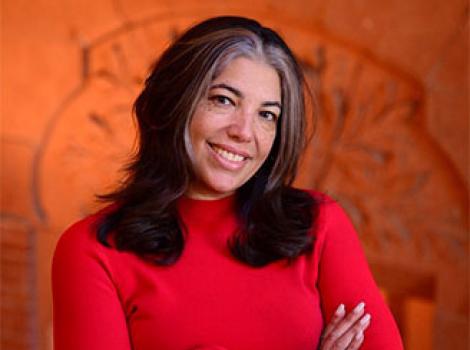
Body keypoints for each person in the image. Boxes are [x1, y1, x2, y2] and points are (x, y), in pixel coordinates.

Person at [51, 16, 403, 350]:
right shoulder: (92, 251)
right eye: (223, 100)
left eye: (267, 115)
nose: (243, 132)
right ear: (172, 104)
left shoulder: (319, 224)